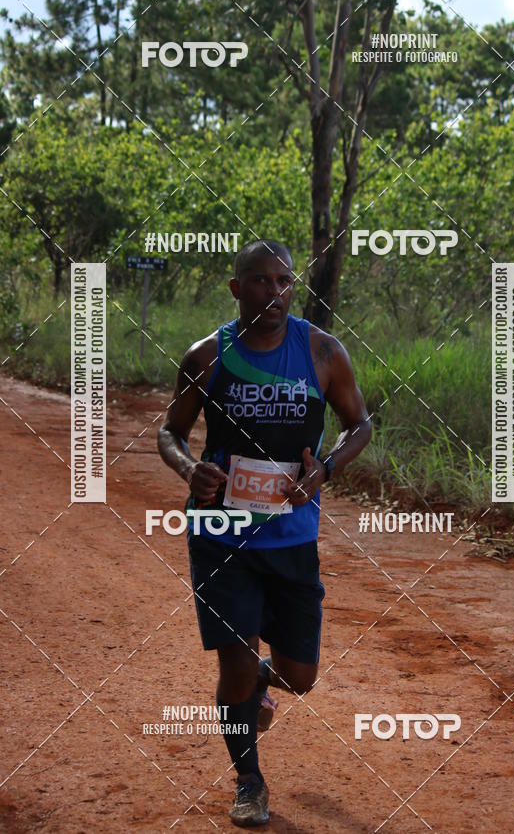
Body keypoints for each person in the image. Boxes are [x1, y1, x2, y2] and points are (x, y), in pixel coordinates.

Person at [157, 239, 371, 826]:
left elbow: (360, 424)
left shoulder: (322, 352)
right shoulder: (206, 357)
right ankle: (248, 781)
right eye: (259, 280)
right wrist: (187, 469)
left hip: (291, 539)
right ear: (235, 289)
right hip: (220, 535)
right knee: (235, 666)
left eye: (283, 281)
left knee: (300, 677)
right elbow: (170, 432)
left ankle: (265, 682)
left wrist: (324, 470)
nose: (274, 292)